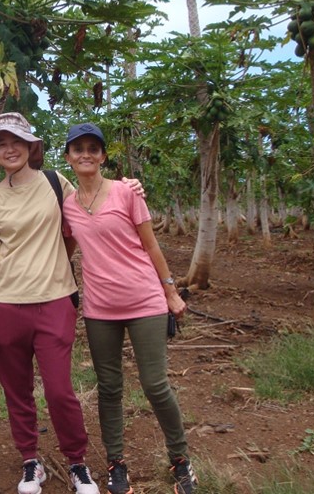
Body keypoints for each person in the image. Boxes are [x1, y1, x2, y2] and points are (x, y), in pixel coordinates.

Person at [61, 122, 197, 494]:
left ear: (103, 156)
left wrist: (171, 292)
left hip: (145, 301)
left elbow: (151, 246)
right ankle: (116, 463)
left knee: (155, 385)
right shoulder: (68, 206)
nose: (86, 154)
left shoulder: (126, 192)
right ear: (69, 157)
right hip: (100, 308)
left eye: (93, 148)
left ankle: (181, 459)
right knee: (109, 387)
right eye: (78, 148)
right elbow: (64, 249)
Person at [0, 112, 102, 494]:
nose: (9, 149)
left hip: (54, 301)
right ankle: (31, 460)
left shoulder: (55, 183)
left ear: (31, 146)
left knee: (60, 389)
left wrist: (129, 188)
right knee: (17, 390)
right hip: (5, 303)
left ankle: (77, 462)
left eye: (16, 141)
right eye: (0, 143)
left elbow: (84, 215)